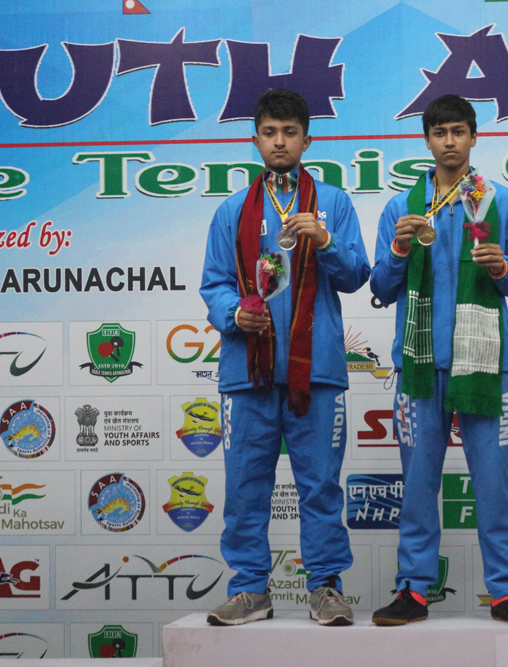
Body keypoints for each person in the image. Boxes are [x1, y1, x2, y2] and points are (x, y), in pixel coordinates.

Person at [369, 94, 508, 626]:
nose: (449, 141)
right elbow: (380, 286)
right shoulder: (402, 207)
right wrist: (399, 251)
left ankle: (505, 592)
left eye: (458, 131)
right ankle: (413, 589)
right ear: (427, 140)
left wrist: (501, 267)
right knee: (419, 486)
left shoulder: (500, 201)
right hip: (420, 367)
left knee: (493, 484)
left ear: (473, 137)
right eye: (440, 132)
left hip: (484, 361)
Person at [200, 88, 370, 626]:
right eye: (270, 133)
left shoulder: (333, 203)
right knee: (245, 486)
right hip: (246, 369)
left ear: (307, 140)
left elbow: (357, 275)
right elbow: (214, 284)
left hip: (315, 369)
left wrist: (326, 240)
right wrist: (234, 314)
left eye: (289, 132)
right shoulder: (232, 210)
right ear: (255, 140)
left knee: (320, 486)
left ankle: (325, 587)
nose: (279, 142)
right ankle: (250, 588)